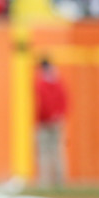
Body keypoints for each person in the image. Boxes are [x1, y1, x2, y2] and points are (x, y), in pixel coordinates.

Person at [33, 57, 68, 189]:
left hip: (45, 122)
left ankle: (46, 181)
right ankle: (58, 181)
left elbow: (43, 104)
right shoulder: (58, 81)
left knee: (45, 153)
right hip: (56, 121)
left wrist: (51, 116)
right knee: (56, 152)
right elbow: (65, 101)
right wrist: (59, 115)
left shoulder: (41, 83)